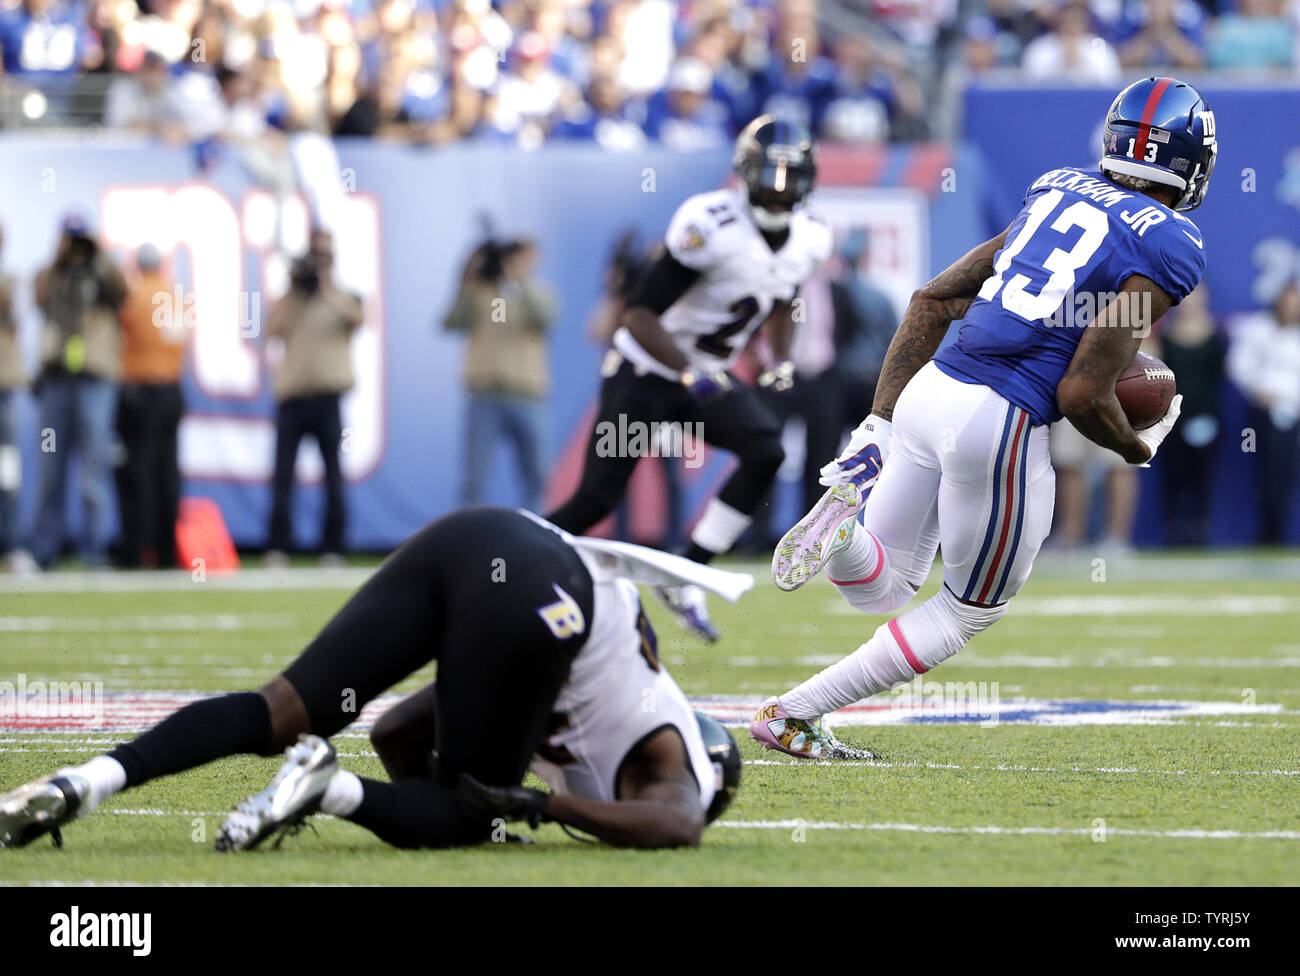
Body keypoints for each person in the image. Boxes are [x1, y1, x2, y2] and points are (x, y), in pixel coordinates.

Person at [753, 77, 1212, 759]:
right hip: (998, 420)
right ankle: (794, 713)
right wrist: (1138, 446)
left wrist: (879, 423)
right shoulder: (1171, 242)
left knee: (883, 588)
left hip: (932, 389)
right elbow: (1083, 393)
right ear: (1190, 162)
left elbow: (932, 300)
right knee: (967, 607)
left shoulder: (1057, 187)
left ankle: (843, 531)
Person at [0, 508, 745, 852]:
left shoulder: (605, 695)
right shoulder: (672, 753)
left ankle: (86, 780)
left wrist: (429, 795)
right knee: (466, 818)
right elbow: (676, 823)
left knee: (281, 711)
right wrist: (521, 806)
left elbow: (393, 729)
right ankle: (328, 789)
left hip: (486, 534)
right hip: (546, 591)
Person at [545, 115, 832, 642]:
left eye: (789, 178)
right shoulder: (712, 225)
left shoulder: (809, 238)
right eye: (769, 175)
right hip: (646, 373)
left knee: (765, 450)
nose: (777, 189)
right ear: (744, 174)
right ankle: (521, 556)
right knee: (597, 499)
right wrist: (687, 372)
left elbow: (783, 297)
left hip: (706, 376)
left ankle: (688, 571)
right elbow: (639, 315)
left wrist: (781, 359)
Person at [29, 214, 128, 569]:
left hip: (93, 381)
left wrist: (97, 256)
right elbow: (39, 296)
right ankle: (44, 550)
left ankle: (94, 550)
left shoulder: (101, 274)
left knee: (93, 470)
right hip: (56, 382)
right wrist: (59, 260)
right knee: (50, 468)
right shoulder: (50, 275)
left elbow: (122, 293)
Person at [265, 230, 363, 565]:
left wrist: (325, 287)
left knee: (333, 475)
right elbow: (272, 329)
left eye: (326, 258)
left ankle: (333, 546)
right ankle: (279, 545)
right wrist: (296, 289)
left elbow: (356, 319)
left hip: (327, 397)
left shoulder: (345, 296)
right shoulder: (292, 299)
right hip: (292, 398)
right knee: (282, 475)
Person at [443, 234, 555, 512]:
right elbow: (451, 321)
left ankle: (537, 531)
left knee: (536, 474)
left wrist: (518, 280)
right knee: (474, 477)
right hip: (485, 394)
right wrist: (466, 278)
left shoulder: (538, 292)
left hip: (527, 394)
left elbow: (544, 317)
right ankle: (469, 532)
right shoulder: (479, 292)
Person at [115, 243, 187, 569]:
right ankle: (166, 552)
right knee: (167, 472)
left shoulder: (136, 295)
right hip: (172, 389)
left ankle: (138, 551)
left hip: (143, 392)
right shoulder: (175, 296)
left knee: (139, 472)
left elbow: (123, 334)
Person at [1227, 279, 1300, 544]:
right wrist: (1259, 390)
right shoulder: (1258, 329)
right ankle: (1266, 533)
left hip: (1293, 414)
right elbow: (1239, 365)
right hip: (1264, 413)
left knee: (1287, 474)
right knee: (1266, 473)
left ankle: (1281, 531)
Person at [1154, 284, 1224, 546]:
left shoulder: (1216, 336)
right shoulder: (1165, 336)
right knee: (1173, 476)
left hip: (1205, 418)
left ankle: (1199, 530)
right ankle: (1172, 531)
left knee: (1202, 476)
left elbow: (1221, 374)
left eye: (1197, 296)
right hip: (1170, 420)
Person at [0, 225, 30, 572]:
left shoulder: (10, 281)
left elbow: (11, 309)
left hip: (4, 391)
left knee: (7, 472)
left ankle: (9, 545)